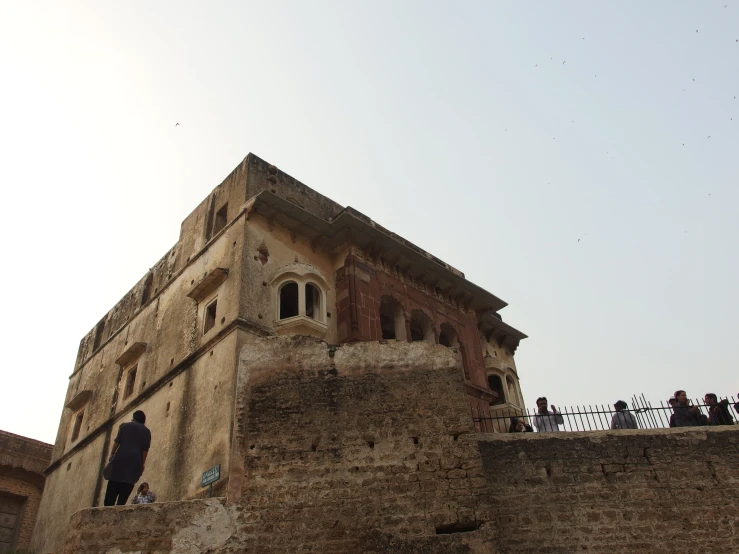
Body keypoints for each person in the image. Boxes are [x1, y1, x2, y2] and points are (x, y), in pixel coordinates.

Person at [104, 410, 151, 506]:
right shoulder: (146, 432)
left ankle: (108, 507)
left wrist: (112, 454)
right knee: (126, 487)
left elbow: (117, 442)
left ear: (134, 418)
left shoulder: (124, 426)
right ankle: (120, 507)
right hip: (134, 462)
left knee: (112, 486)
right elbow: (145, 451)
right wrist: (142, 464)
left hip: (120, 460)